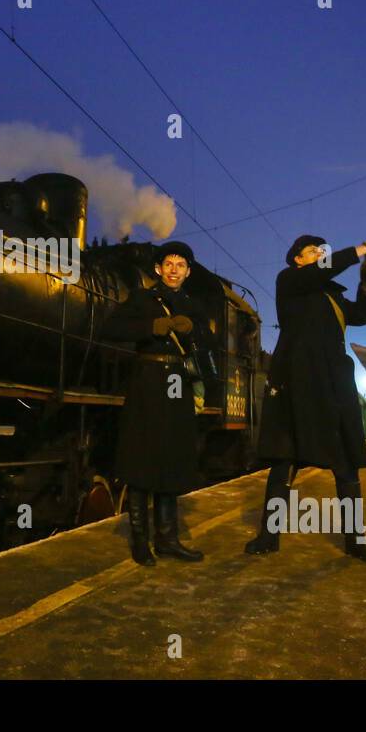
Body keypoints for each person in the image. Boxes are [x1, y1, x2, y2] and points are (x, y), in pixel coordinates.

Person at [244, 232, 366, 563]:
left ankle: (356, 541)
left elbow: (361, 315)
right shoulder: (290, 281)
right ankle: (268, 536)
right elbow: (324, 269)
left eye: (320, 251)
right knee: (284, 461)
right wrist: (363, 249)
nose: (319, 255)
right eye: (313, 251)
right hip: (296, 382)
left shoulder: (332, 295)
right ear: (298, 259)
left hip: (332, 384)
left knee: (346, 465)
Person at [103, 241, 214, 566]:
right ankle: (140, 542)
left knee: (172, 457)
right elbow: (111, 327)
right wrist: (152, 327)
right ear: (158, 268)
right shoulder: (141, 298)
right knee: (143, 458)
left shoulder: (192, 305)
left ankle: (168, 539)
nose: (174, 269)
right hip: (147, 379)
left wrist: (193, 329)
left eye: (180, 265)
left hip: (178, 382)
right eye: (168, 263)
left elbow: (209, 343)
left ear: (188, 272)